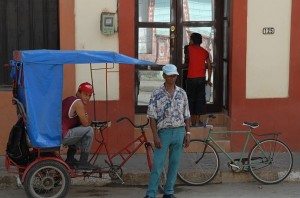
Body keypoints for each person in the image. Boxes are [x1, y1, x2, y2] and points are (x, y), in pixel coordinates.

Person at [144, 64, 191, 198]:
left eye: (174, 75)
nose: (172, 78)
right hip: (163, 133)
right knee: (158, 165)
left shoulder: (182, 93)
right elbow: (152, 117)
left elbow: (187, 115)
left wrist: (188, 133)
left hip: (179, 131)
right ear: (164, 76)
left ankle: (169, 192)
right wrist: (155, 136)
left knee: (174, 164)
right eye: (170, 76)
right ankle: (151, 194)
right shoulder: (156, 94)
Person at [62, 82, 97, 170]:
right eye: (85, 94)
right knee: (89, 130)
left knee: (78, 128)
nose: (87, 98)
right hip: (62, 135)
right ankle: (83, 162)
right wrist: (86, 118)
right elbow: (86, 123)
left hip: (57, 133)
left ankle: (70, 159)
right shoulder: (78, 103)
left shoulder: (70, 99)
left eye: (89, 96)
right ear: (78, 92)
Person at [185, 32, 212, 127]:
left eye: (190, 39)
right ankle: (197, 121)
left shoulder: (188, 48)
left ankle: (191, 122)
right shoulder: (205, 52)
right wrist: (209, 79)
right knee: (200, 99)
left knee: (190, 99)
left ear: (192, 40)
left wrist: (190, 43)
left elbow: (187, 55)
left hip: (191, 78)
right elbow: (209, 65)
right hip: (201, 78)